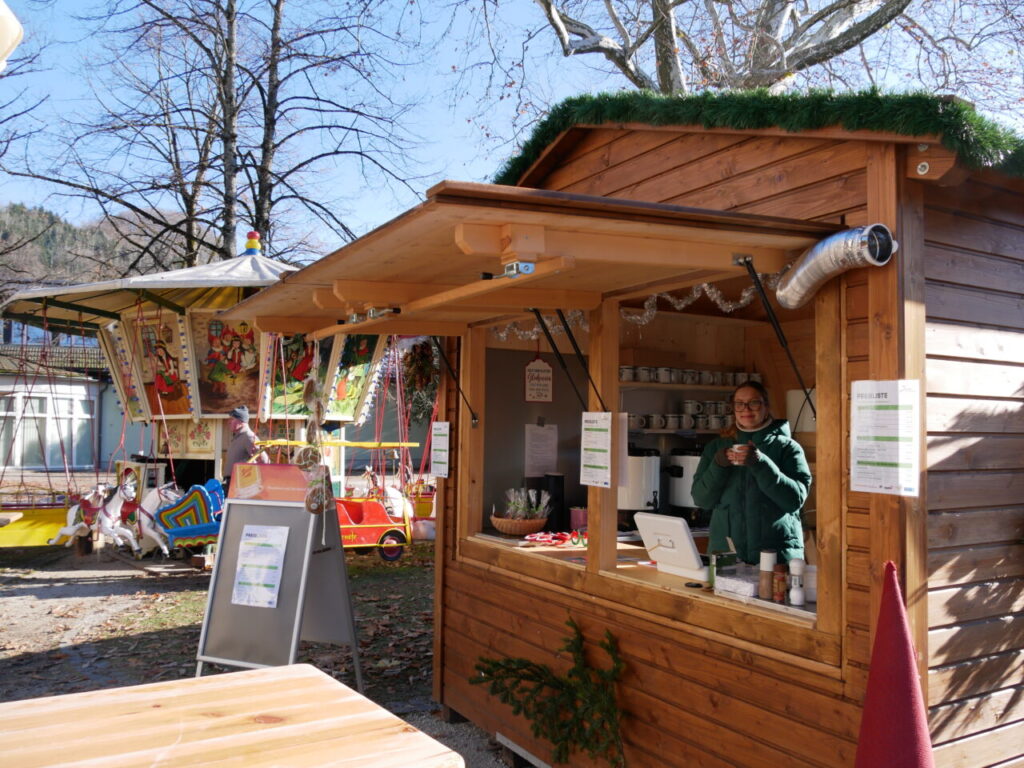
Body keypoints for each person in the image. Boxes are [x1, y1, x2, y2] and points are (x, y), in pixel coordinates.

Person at [690, 381, 811, 564]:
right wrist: (718, 465)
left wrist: (760, 464)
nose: (746, 409)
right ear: (733, 408)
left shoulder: (787, 448)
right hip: (727, 555)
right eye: (739, 404)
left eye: (754, 402)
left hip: (776, 557)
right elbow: (701, 499)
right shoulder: (716, 447)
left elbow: (793, 500)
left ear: (766, 406)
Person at [224, 405, 266, 487]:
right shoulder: (238, 437)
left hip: (240, 484)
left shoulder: (249, 437)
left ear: (241, 421)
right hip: (231, 483)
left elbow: (265, 461)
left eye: (232, 419)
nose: (228, 422)